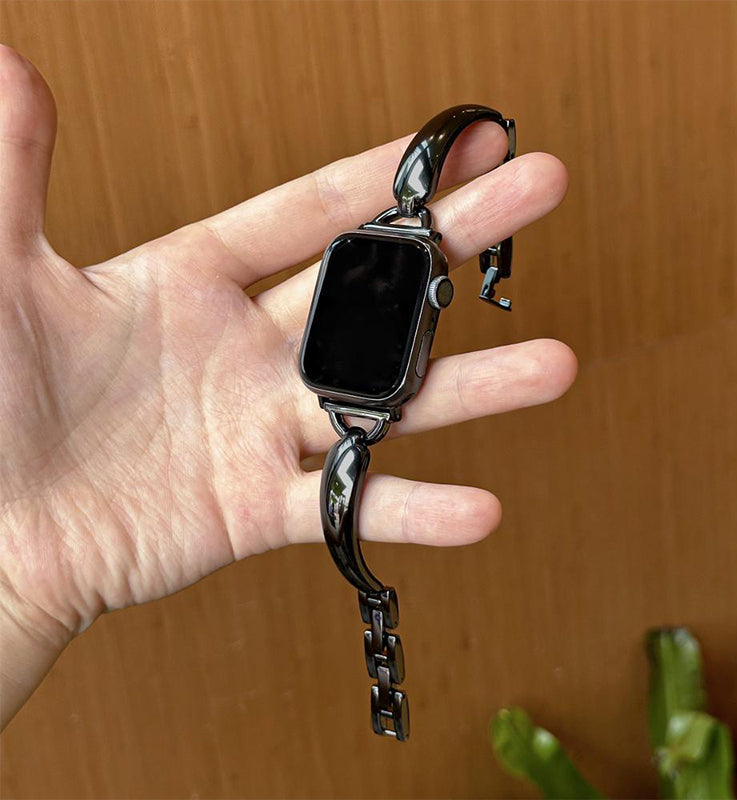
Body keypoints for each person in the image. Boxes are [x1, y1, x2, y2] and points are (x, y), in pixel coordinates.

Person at [0, 44, 577, 730]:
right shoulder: (371, 259)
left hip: (346, 389)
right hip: (345, 389)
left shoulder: (370, 255)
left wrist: (18, 600)